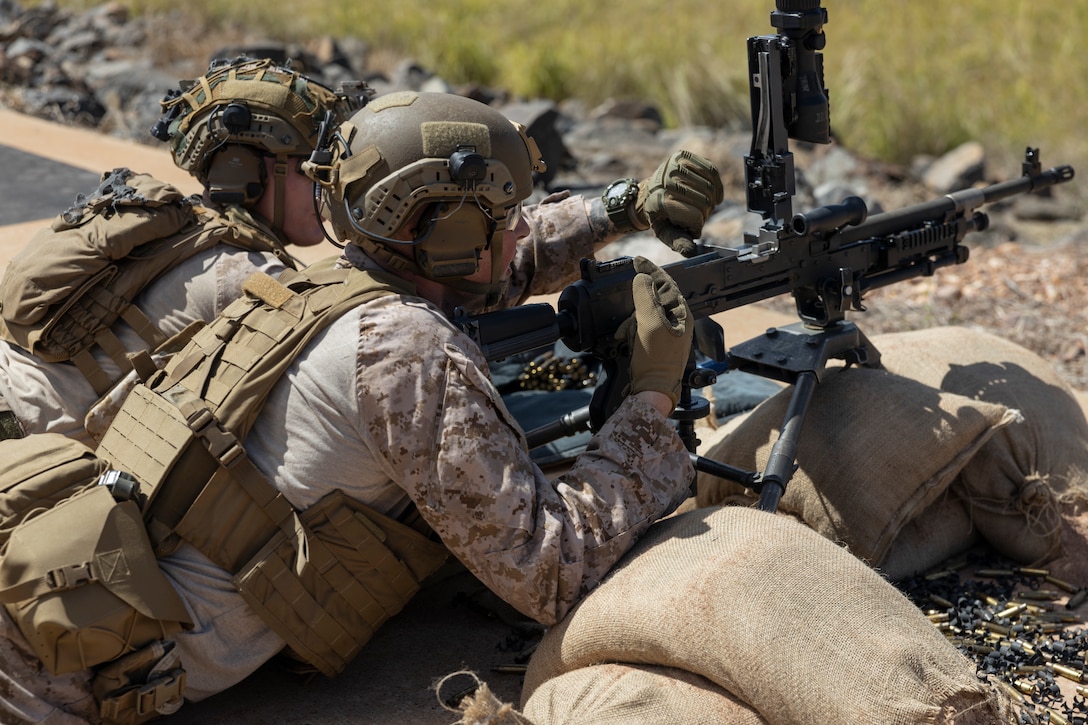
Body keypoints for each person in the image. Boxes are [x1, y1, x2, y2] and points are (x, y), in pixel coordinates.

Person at [0, 90, 715, 724]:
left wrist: (615, 210)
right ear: (453, 234)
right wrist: (650, 399)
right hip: (46, 682)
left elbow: (478, 270)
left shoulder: (322, 291)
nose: (523, 226)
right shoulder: (409, 354)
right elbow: (551, 568)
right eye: (504, 213)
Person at [0, 55, 723, 451]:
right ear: (250, 174)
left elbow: (432, 265)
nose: (333, 180)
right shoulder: (241, 282)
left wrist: (614, 209)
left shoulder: (175, 230)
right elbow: (429, 280)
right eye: (310, 164)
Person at [0, 55, 372, 447]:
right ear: (240, 169)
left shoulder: (179, 223)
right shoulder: (248, 277)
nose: (329, 183)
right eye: (310, 167)